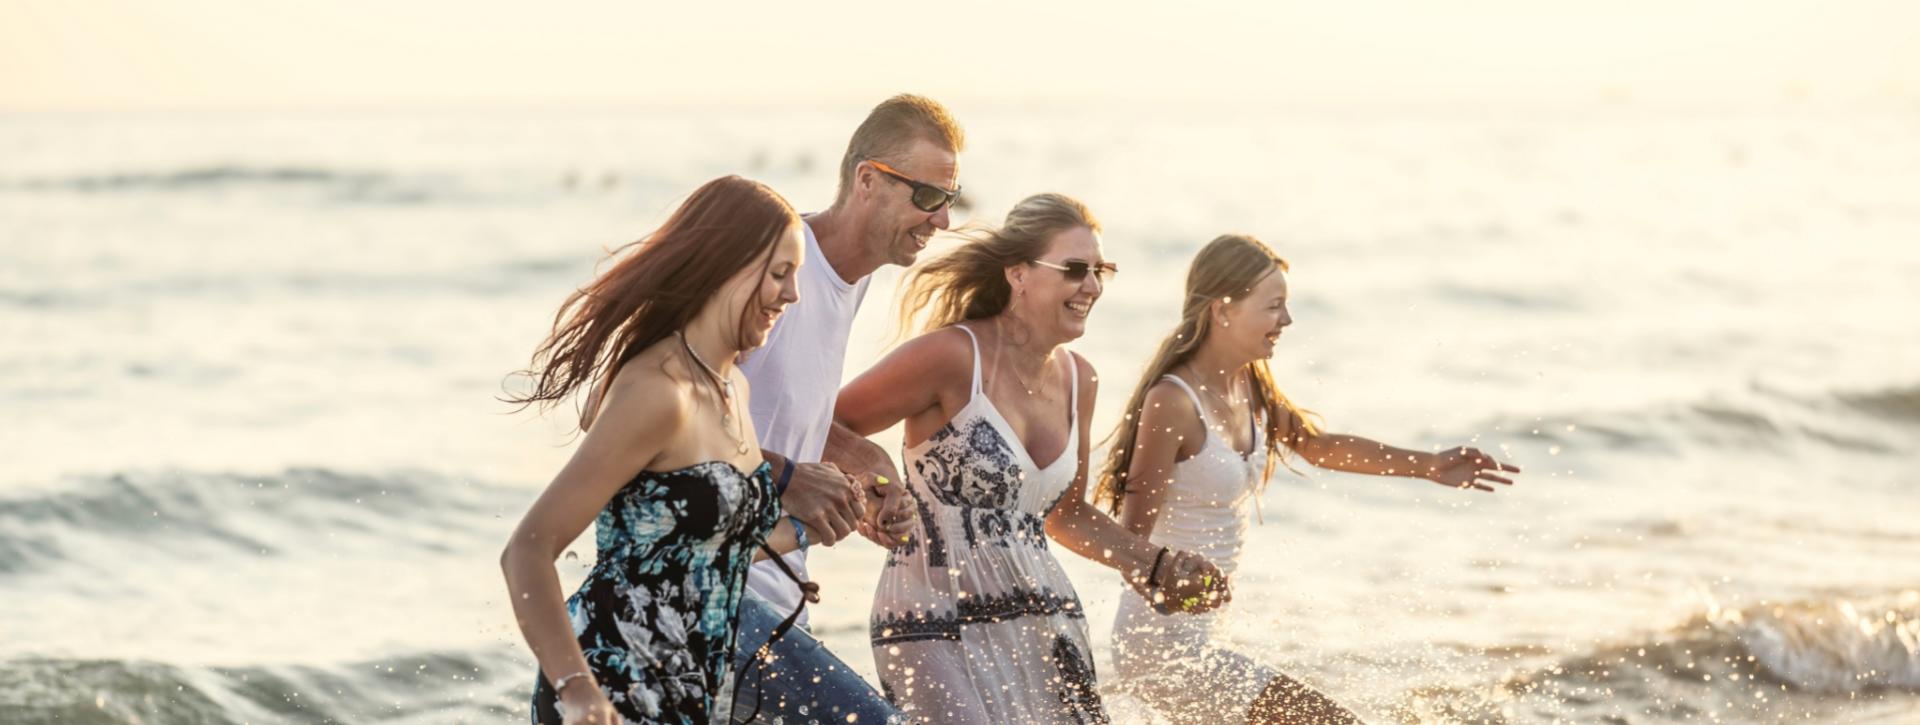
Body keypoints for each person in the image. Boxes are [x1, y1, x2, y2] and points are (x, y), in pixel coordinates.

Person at [835, 193, 1230, 724]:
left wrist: (1154, 565)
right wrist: (874, 483)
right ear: (1018, 274)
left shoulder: (1079, 379)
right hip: (932, 618)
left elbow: (1065, 516)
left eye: (1099, 271)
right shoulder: (952, 357)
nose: (1091, 287)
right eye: (1073, 270)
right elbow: (827, 425)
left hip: (1043, 619)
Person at [1094, 234, 1522, 724]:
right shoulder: (1171, 401)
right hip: (1160, 645)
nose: (1287, 321)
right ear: (1223, 310)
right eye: (1273, 306)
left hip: (1206, 632)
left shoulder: (1247, 383)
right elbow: (1130, 547)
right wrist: (1183, 588)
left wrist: (1427, 465)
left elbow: (1316, 447)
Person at [499, 176, 811, 724]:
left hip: (687, 695)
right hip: (614, 685)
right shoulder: (657, 393)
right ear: (727, 266)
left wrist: (831, 521)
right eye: (780, 274)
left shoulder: (732, 386)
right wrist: (578, 692)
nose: (792, 295)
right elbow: (526, 550)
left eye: (796, 277)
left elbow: (701, 546)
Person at [724, 93, 966, 724]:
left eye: (949, 199)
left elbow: (785, 409)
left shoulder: (850, 284)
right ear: (868, 179)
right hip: (710, 589)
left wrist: (863, 463)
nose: (941, 220)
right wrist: (787, 479)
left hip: (777, 592)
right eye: (928, 196)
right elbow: (671, 411)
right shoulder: (772, 263)